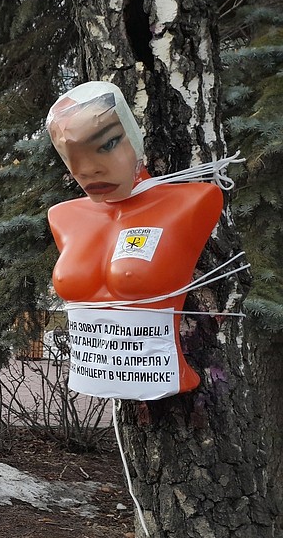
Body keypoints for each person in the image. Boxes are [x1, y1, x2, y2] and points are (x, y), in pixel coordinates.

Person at [46, 81, 225, 399]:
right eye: (69, 155)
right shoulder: (63, 217)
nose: (86, 170)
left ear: (133, 134)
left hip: (166, 376)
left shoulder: (193, 201)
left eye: (106, 144)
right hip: (93, 374)